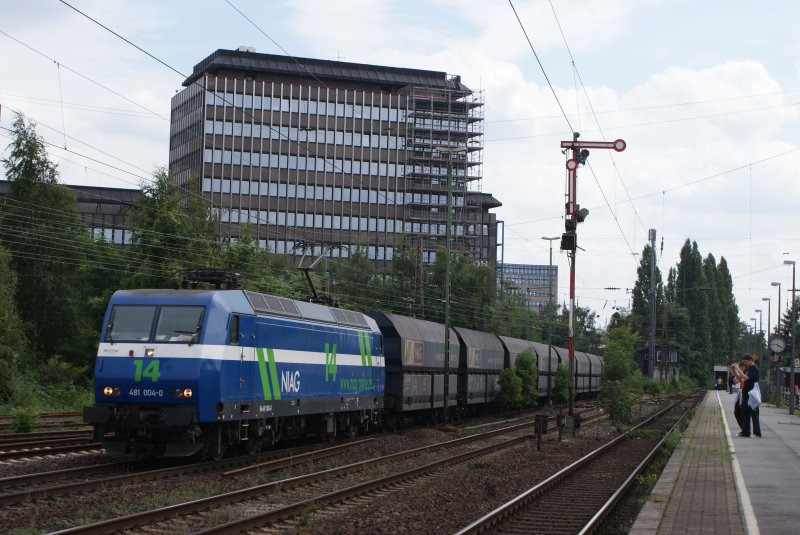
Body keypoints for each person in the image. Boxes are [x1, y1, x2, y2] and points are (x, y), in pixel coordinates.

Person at [739, 354, 762, 438]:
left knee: (753, 413)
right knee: (745, 413)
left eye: (745, 362)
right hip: (747, 393)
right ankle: (745, 432)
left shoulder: (754, 369)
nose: (745, 364)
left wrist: (738, 369)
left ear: (750, 360)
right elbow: (742, 378)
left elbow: (746, 378)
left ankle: (757, 433)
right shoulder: (749, 368)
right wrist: (736, 370)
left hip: (751, 394)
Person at [730, 361, 747, 433]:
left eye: (743, 368)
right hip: (740, 394)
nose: (742, 369)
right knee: (736, 412)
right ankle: (743, 429)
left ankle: (745, 429)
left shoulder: (746, 374)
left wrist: (736, 370)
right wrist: (733, 373)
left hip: (746, 395)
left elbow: (742, 380)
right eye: (741, 368)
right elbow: (735, 381)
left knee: (742, 413)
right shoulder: (741, 375)